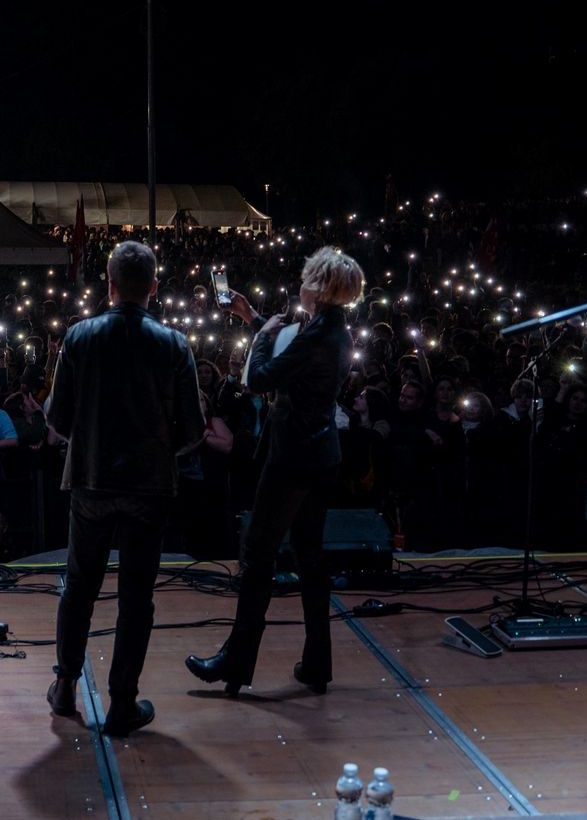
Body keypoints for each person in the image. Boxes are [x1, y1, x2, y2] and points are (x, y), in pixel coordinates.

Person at [186, 246, 362, 696]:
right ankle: (318, 663)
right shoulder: (333, 330)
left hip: (291, 460)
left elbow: (258, 379)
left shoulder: (317, 335)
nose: (299, 286)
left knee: (257, 555)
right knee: (310, 558)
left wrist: (260, 335)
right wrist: (253, 317)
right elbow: (296, 358)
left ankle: (236, 661)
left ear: (317, 288)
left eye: (305, 280)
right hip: (323, 455)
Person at [44, 240, 202, 738]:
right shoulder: (173, 343)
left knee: (79, 586)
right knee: (137, 596)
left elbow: (56, 416)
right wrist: (156, 451)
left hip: (90, 481)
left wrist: (92, 443)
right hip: (148, 486)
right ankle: (122, 704)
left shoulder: (79, 337)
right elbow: (193, 428)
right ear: (153, 288)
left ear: (108, 284)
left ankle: (66, 683)